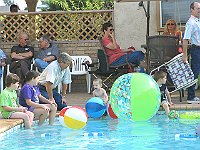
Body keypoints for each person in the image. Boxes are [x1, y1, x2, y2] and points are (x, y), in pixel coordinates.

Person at [182, 2, 200, 104]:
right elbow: (185, 39)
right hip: (196, 50)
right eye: (197, 8)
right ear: (192, 10)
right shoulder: (191, 23)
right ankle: (191, 96)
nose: (199, 10)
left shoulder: (197, 21)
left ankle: (192, 96)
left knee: (195, 72)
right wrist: (184, 55)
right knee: (194, 73)